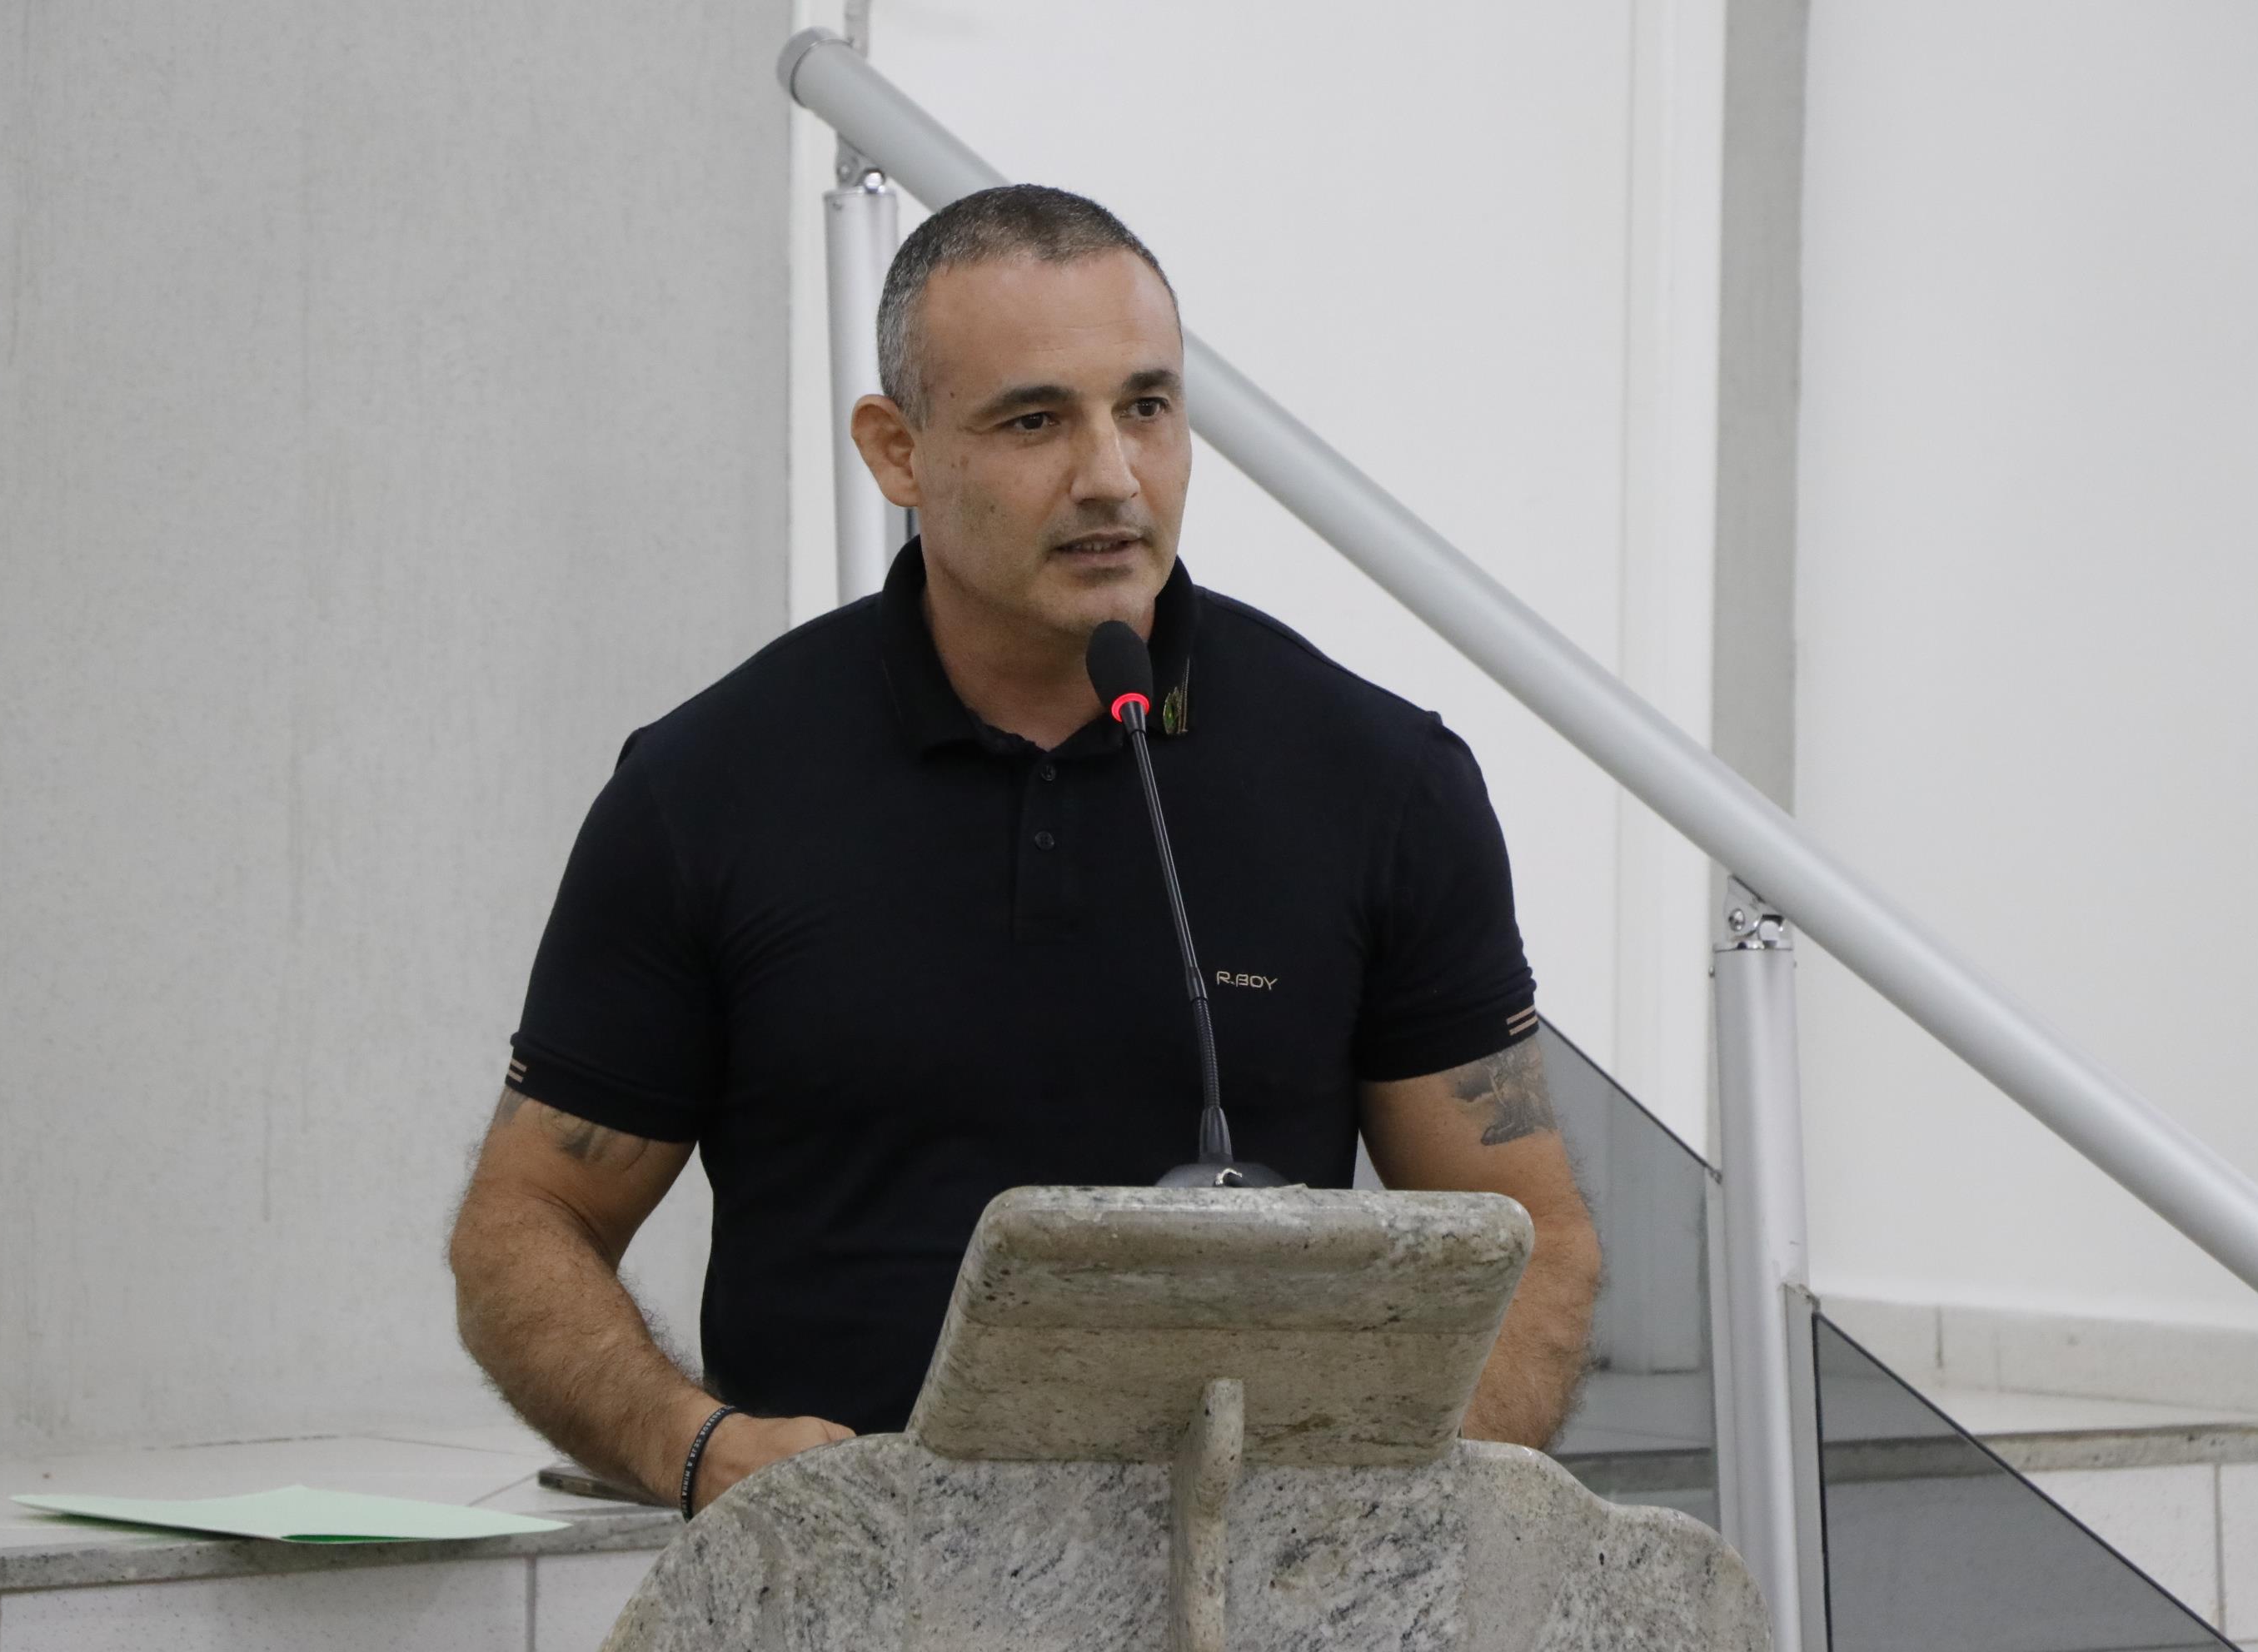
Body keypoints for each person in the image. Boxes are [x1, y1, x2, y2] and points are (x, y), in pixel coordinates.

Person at [448, 185, 1599, 1517]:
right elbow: (526, 1224)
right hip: (849, 1578)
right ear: (897, 451)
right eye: (1035, 421)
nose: (1111, 476)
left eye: (1147, 408)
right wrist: (697, 1450)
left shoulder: (1378, 780)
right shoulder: (709, 788)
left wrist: (1395, 1519)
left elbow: (1531, 1239)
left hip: (1248, 1581)